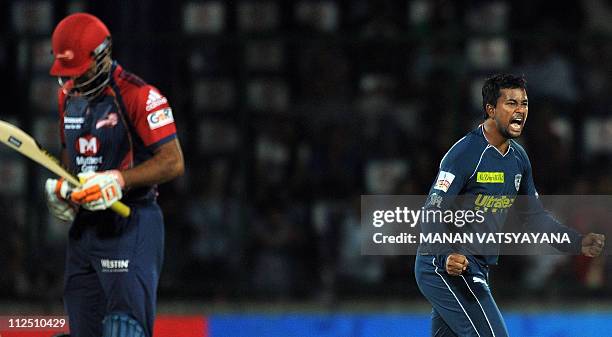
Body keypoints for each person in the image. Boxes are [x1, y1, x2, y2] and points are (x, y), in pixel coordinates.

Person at [414, 74, 605, 337]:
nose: (520, 111)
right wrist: (445, 254)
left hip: (475, 267)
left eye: (524, 104)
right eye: (511, 103)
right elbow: (432, 209)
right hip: (444, 267)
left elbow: (535, 217)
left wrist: (577, 242)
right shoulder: (464, 154)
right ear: (490, 110)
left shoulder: (518, 159)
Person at [44, 13, 184, 337]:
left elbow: (173, 162)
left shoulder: (140, 95)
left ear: (102, 54)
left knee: (125, 330)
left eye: (80, 71)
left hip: (131, 223)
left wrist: (120, 180)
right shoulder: (66, 97)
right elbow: (72, 160)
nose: (73, 81)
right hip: (85, 232)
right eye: (67, 73)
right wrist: (64, 190)